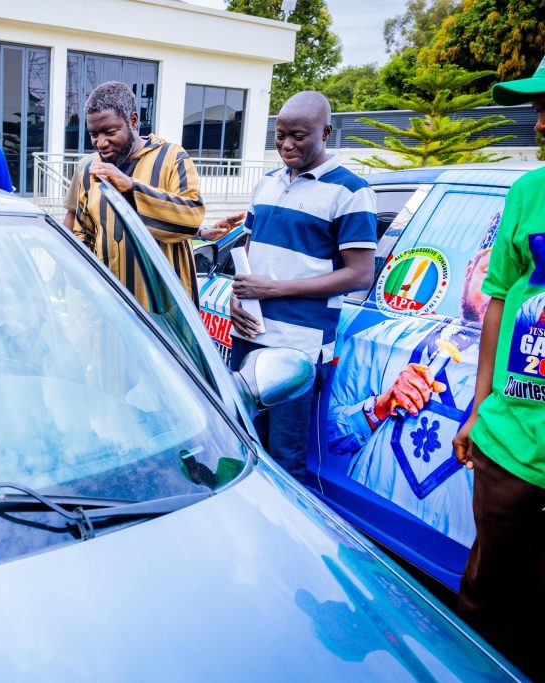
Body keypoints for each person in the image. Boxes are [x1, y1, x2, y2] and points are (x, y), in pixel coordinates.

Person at [451, 61, 545, 681]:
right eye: (539, 110)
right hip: (509, 445)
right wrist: (479, 406)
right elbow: (499, 300)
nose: (539, 124)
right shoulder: (527, 193)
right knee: (489, 610)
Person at [325, 215, 500, 547]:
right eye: (490, 274)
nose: (498, 296)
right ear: (468, 272)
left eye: (513, 285)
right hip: (359, 530)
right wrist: (380, 405)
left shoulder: (524, 374)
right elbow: (329, 436)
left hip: (452, 558)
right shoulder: (389, 335)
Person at [229, 91, 376, 482]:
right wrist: (236, 298)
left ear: (326, 132)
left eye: (298, 136)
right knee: (240, 442)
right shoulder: (266, 183)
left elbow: (360, 274)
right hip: (249, 336)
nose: (286, 145)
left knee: (284, 458)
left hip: (297, 350)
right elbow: (249, 248)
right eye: (280, 135)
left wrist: (274, 289)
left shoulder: (351, 192)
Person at [63, 81, 242, 304]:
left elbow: (191, 216)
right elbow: (83, 231)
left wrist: (131, 187)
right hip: (112, 307)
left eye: (110, 132)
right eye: (93, 134)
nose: (101, 143)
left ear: (133, 121)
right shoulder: (90, 168)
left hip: (165, 308)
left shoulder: (172, 158)